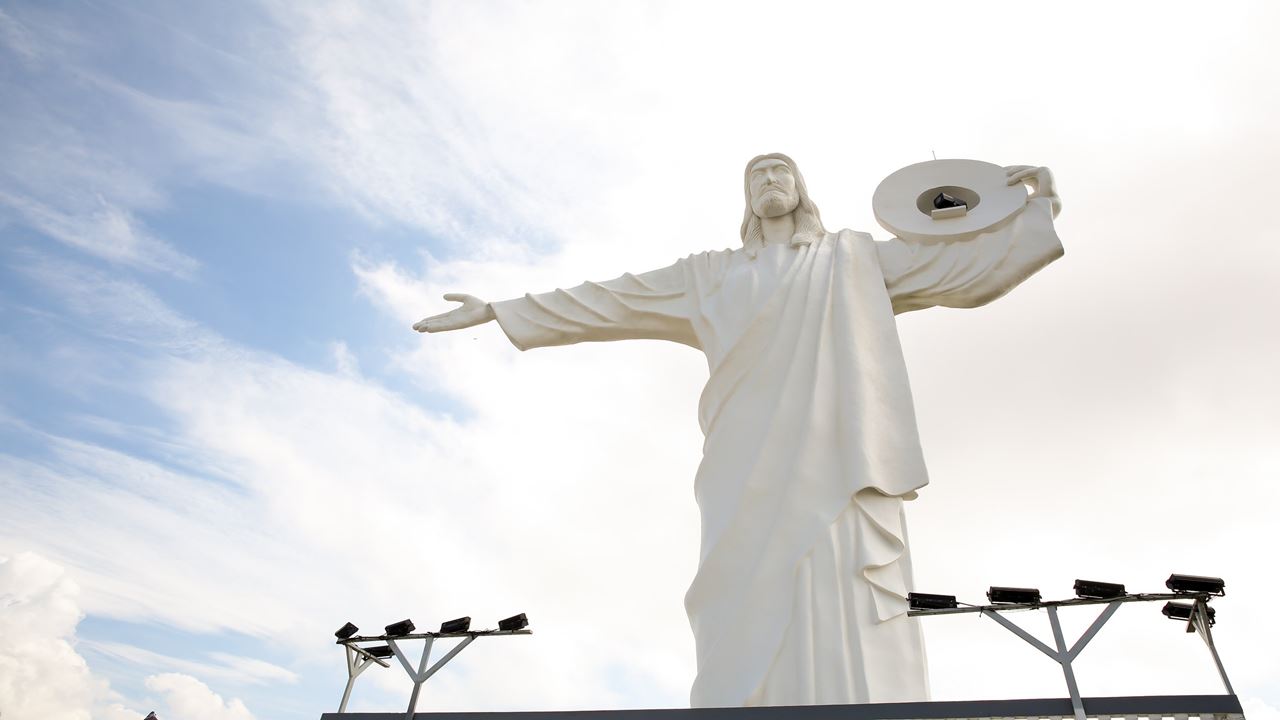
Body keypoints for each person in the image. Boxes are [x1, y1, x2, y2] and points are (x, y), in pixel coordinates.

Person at [414, 154, 1063, 707]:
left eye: (780, 169)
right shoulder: (708, 275)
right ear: (748, 198)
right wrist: (501, 310)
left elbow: (952, 271)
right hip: (743, 455)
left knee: (838, 571)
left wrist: (1034, 207)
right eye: (757, 174)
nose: (770, 179)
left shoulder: (851, 257)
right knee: (742, 580)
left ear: (801, 187)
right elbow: (612, 299)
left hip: (835, 448)